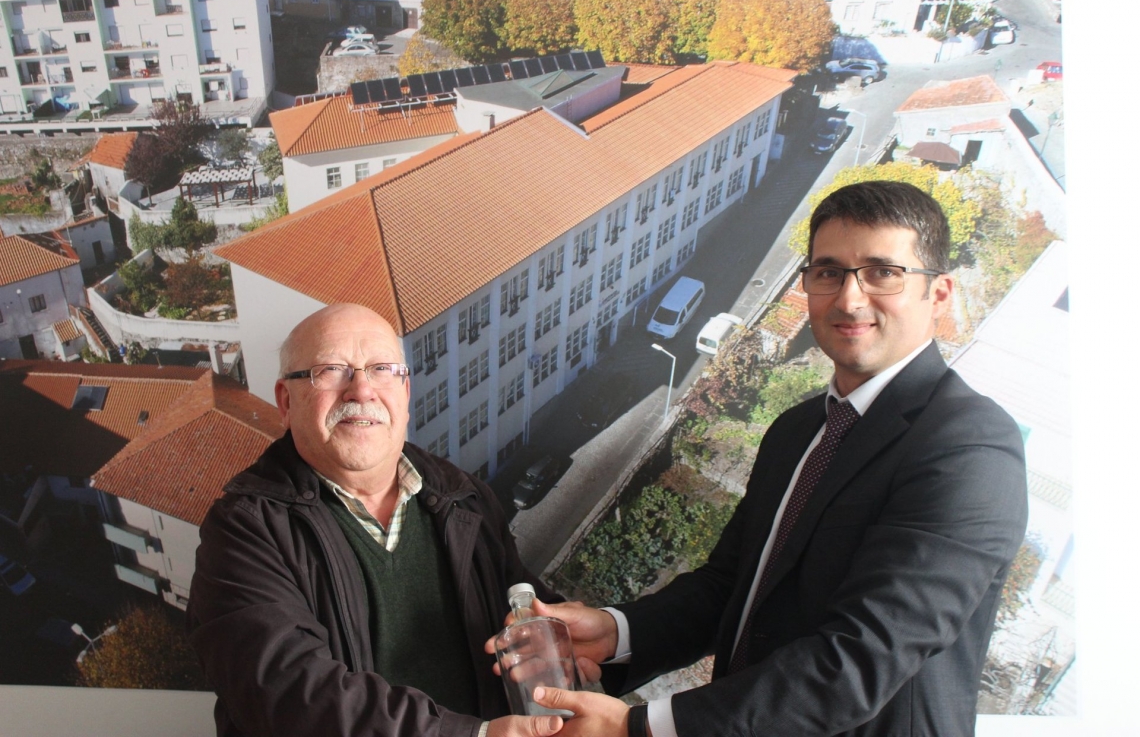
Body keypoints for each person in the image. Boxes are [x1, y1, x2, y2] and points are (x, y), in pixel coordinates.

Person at [510, 181, 1029, 736]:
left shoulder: (970, 446)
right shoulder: (797, 430)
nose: (850, 299)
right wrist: (617, 631)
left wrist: (641, 729)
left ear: (939, 293)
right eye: (828, 272)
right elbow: (730, 586)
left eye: (883, 272)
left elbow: (862, 659)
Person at [188, 303, 564, 737]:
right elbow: (289, 698)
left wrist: (593, 640)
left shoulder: (465, 499)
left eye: (382, 369)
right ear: (286, 401)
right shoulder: (241, 531)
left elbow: (530, 611)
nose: (362, 391)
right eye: (332, 370)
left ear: (405, 392)